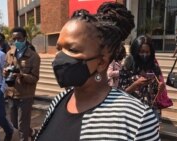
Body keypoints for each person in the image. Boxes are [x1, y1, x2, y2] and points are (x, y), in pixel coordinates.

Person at [34, 2, 160, 141]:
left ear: (102, 62)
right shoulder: (59, 100)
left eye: (72, 50)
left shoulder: (137, 119)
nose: (60, 58)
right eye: (59, 49)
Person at [4, 27, 40, 141]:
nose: (16, 42)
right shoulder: (9, 53)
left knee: (22, 127)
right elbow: (5, 69)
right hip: (11, 94)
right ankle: (33, 132)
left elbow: (34, 78)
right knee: (14, 123)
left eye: (19, 38)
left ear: (25, 38)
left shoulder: (34, 56)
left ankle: (25, 136)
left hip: (25, 95)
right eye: (14, 39)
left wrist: (21, 76)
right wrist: (4, 72)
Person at [119, 35, 166, 121]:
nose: (145, 54)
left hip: (150, 111)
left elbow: (155, 93)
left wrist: (160, 88)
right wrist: (135, 85)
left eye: (147, 52)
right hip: (132, 111)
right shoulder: (127, 66)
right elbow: (120, 93)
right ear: (135, 51)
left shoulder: (154, 66)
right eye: (141, 51)